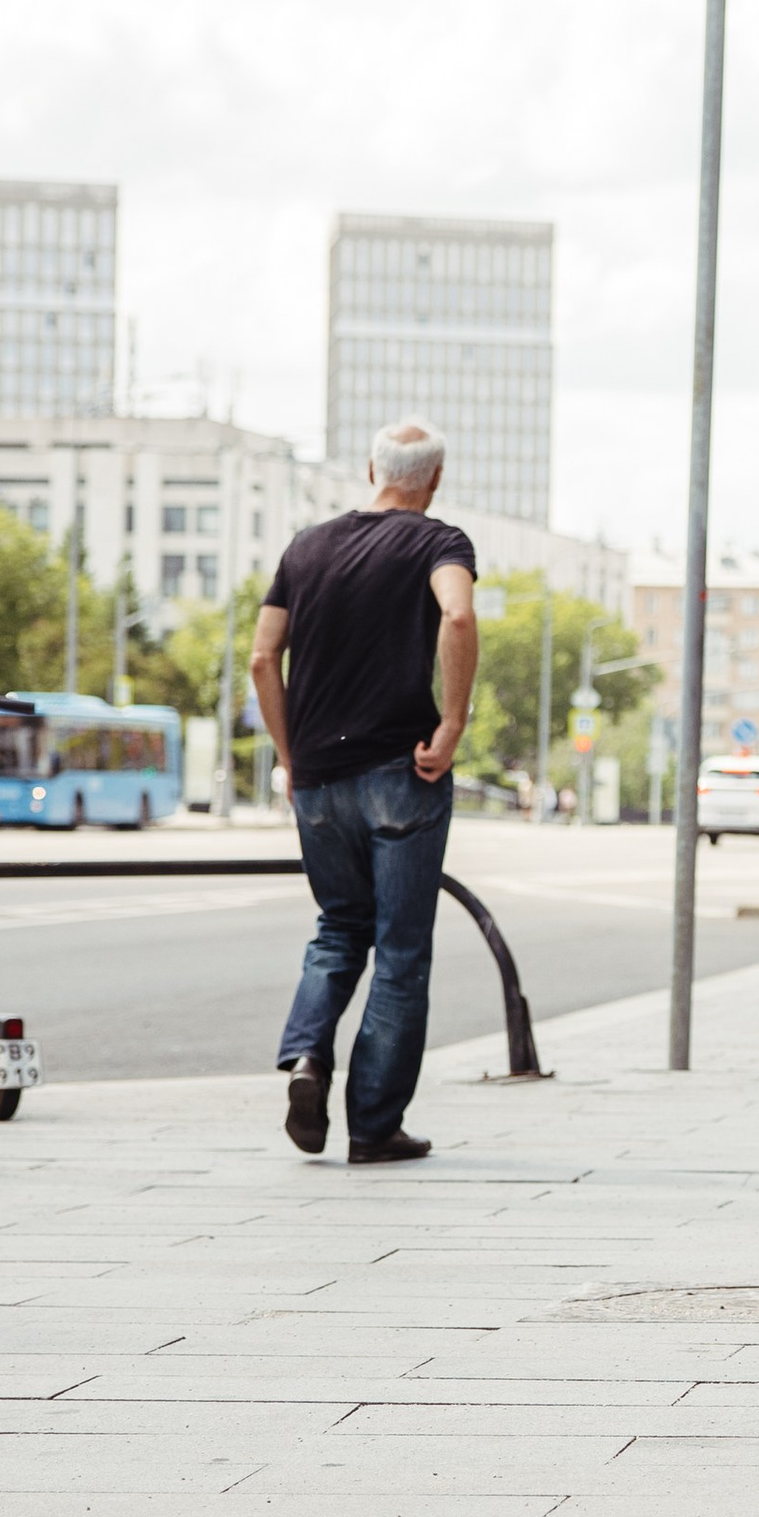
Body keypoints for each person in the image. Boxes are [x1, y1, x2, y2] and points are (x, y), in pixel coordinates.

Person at [250, 420, 478, 1162]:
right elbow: (457, 611)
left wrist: (291, 758)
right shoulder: (440, 543)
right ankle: (374, 1126)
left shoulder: (305, 548)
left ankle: (309, 1056)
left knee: (339, 927)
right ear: (434, 479)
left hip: (317, 779)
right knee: (401, 950)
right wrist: (452, 722)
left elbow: (261, 658)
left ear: (369, 467)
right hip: (400, 777)